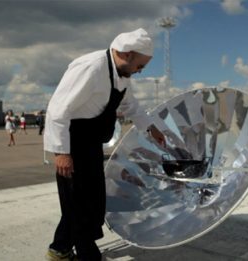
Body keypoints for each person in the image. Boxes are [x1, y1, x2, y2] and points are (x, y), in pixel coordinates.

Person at [44, 28, 165, 261]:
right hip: (72, 144)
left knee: (91, 202)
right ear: (128, 54)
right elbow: (58, 109)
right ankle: (88, 255)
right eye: (140, 66)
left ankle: (58, 249)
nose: (140, 72)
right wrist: (61, 152)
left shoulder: (122, 76)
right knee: (79, 205)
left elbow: (132, 107)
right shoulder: (92, 67)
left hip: (90, 146)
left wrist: (151, 128)